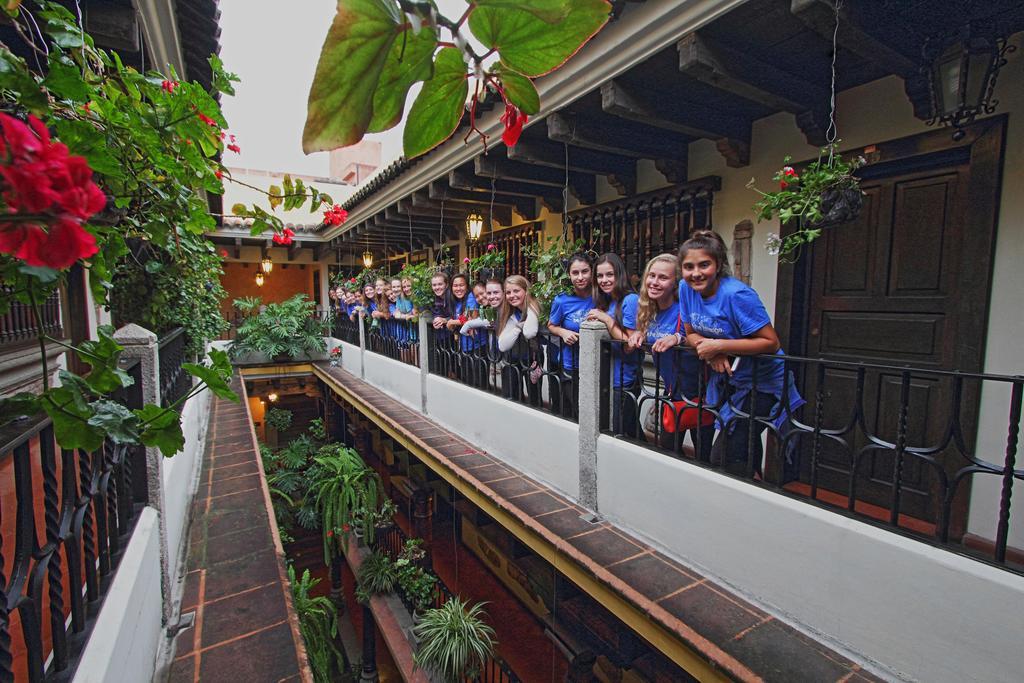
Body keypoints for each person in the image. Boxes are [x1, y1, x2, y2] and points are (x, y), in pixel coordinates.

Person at [677, 230, 804, 477]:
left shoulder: (737, 295)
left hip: (763, 382)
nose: (696, 273)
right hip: (732, 378)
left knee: (723, 454)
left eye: (704, 265)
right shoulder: (685, 288)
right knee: (744, 444)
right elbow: (690, 333)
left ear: (719, 264)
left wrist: (720, 346)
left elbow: (770, 342)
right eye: (688, 266)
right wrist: (712, 351)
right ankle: (752, 482)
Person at [625, 254, 713, 461]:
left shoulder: (686, 309)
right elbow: (647, 335)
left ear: (676, 283)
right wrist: (638, 334)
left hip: (699, 391)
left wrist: (677, 338)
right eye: (651, 276)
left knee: (703, 453)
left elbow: (702, 338)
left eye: (662, 278)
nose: (654, 282)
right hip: (672, 389)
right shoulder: (650, 311)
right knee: (668, 447)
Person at [587, 253, 641, 437]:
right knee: (625, 428)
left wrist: (607, 320)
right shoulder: (610, 301)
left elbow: (629, 344)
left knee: (625, 432)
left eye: (609, 274)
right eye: (600, 276)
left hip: (625, 378)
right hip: (612, 377)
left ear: (620, 274)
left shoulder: (630, 300)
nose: (604, 280)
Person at [547, 253, 594, 417]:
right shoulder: (562, 300)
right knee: (577, 411)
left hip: (596, 364)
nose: (580, 277)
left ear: (592, 271)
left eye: (585, 271)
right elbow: (551, 325)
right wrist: (563, 332)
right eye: (575, 273)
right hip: (570, 363)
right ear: (569, 274)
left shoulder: (601, 297)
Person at [497, 275, 541, 402]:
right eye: (508, 292)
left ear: (526, 291)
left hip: (532, 359)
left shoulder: (534, 306)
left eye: (516, 291)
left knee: (534, 398)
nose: (512, 295)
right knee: (512, 397)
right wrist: (518, 328)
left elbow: (529, 332)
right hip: (513, 359)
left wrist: (532, 306)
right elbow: (502, 345)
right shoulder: (510, 312)